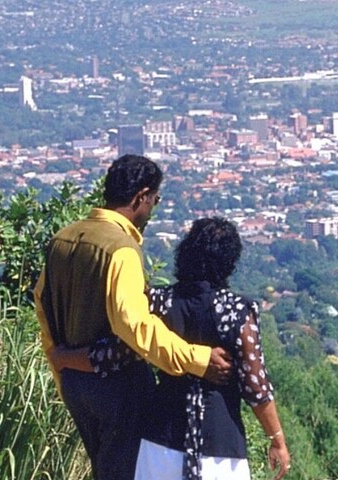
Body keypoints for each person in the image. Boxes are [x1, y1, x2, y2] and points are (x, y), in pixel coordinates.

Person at [36, 154, 236, 480]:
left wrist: (59, 361)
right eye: (154, 200)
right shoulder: (121, 249)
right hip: (116, 386)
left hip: (75, 381)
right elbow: (134, 325)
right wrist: (197, 359)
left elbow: (42, 304)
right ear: (140, 197)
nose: (153, 208)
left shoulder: (64, 238)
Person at [55, 218, 291, 480]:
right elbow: (256, 387)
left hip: (160, 443)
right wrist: (277, 440)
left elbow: (113, 355)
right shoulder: (238, 311)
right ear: (229, 261)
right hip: (220, 448)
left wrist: (64, 358)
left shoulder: (157, 302)